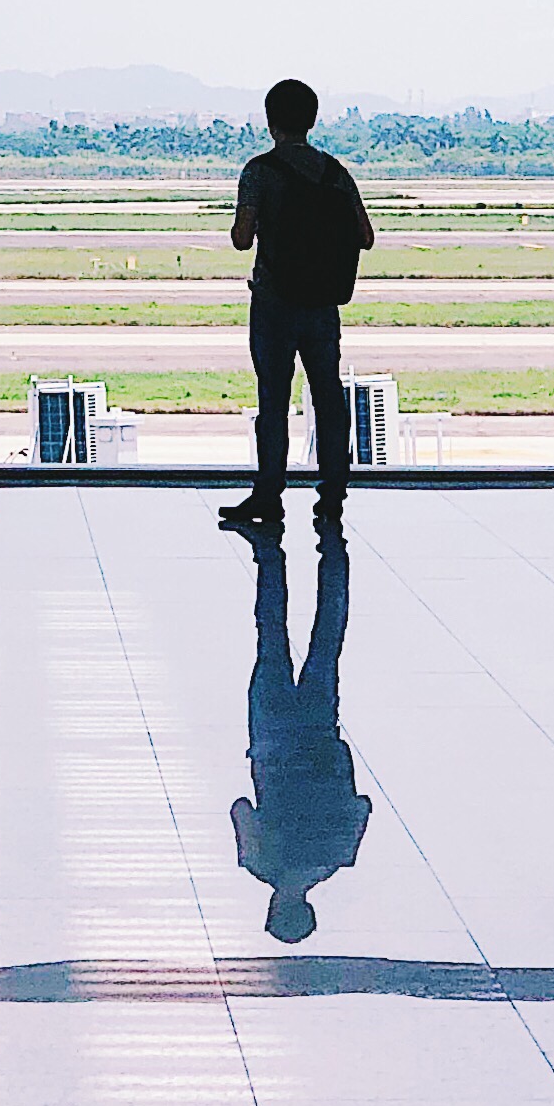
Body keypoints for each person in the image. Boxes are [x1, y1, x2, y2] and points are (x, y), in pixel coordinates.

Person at [220, 76, 375, 530]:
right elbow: (365, 237)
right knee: (328, 398)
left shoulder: (259, 171)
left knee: (274, 400)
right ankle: (332, 497)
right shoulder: (334, 172)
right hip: (323, 305)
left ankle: (268, 495)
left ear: (270, 122)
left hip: (274, 303)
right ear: (311, 120)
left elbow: (241, 240)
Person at [229, 500, 366, 943]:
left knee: (328, 639)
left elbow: (361, 805)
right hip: (272, 740)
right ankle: (269, 552)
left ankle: (333, 547)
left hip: (318, 733)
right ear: (274, 909)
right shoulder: (260, 862)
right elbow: (240, 809)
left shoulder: (338, 857)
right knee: (270, 634)